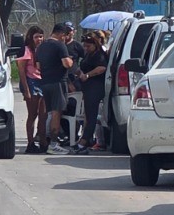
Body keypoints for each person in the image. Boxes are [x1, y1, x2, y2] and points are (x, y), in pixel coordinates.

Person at [33, 22, 74, 154]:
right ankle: (54, 144)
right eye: (65, 35)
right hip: (58, 82)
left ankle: (43, 141)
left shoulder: (41, 47)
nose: (65, 38)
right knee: (57, 113)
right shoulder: (60, 45)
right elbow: (67, 64)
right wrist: (71, 60)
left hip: (45, 83)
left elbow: (38, 66)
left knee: (48, 113)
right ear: (61, 34)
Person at [70, 32, 110, 153]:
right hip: (88, 88)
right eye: (85, 46)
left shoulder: (99, 55)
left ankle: (84, 142)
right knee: (88, 116)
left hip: (95, 87)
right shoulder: (90, 54)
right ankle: (84, 140)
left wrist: (88, 75)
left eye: (88, 46)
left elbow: (102, 68)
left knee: (91, 116)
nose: (86, 48)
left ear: (95, 44)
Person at [18, 26, 46, 154]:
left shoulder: (43, 50)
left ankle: (43, 142)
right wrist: (26, 90)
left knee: (43, 115)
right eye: (36, 37)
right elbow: (21, 71)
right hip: (32, 82)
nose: (39, 39)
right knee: (32, 115)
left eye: (41, 36)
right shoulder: (26, 50)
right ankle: (30, 143)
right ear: (30, 37)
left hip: (43, 82)